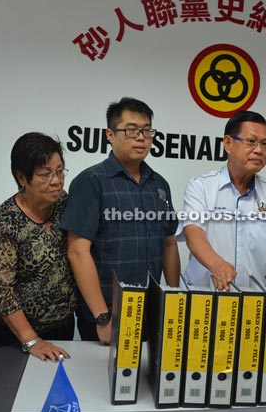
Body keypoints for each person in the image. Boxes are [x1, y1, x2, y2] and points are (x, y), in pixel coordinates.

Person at [61, 97, 180, 344]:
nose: (141, 138)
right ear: (110, 135)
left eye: (147, 131)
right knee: (99, 382)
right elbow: (77, 252)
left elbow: (169, 243)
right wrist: (102, 317)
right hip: (107, 314)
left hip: (152, 312)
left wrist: (173, 301)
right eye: (131, 130)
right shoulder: (91, 182)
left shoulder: (159, 185)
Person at [177, 110, 266, 291]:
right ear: (228, 144)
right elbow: (193, 232)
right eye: (251, 142)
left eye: (264, 144)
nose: (259, 150)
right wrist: (216, 264)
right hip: (205, 296)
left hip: (254, 302)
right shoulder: (201, 186)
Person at [0, 132, 76, 362]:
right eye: (45, 175)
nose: (56, 181)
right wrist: (31, 340)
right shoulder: (5, 223)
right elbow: (1, 290)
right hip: (16, 335)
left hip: (62, 326)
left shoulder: (65, 204)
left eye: (59, 171)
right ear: (22, 178)